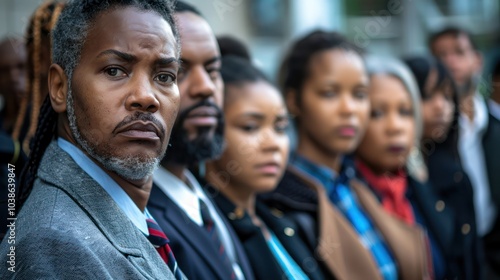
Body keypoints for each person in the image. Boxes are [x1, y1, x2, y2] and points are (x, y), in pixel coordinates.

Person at [0, 0, 183, 279]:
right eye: (114, 70)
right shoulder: (53, 245)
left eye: (164, 76)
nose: (146, 97)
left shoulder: (125, 209)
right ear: (60, 88)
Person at [261, 30, 431, 280]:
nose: (349, 109)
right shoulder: (280, 200)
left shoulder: (356, 186)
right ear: (294, 100)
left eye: (360, 94)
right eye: (330, 93)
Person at [148, 2, 254, 280]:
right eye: (177, 71)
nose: (205, 87)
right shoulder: (139, 216)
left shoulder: (203, 195)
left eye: (213, 70)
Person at [205, 55, 327, 280]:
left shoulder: (277, 219)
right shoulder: (209, 230)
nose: (273, 144)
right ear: (210, 130)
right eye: (250, 127)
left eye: (280, 127)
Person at [355, 57, 474, 279]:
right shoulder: (344, 199)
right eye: (377, 113)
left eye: (405, 112)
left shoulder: (417, 189)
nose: (396, 127)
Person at [430, 27, 500, 278]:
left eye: (459, 52)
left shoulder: (495, 128)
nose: (450, 61)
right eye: (441, 55)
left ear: (477, 61)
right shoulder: (428, 137)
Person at [404, 56, 482, 279]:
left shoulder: (454, 174)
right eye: (428, 95)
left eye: (447, 97)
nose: (441, 107)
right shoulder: (390, 176)